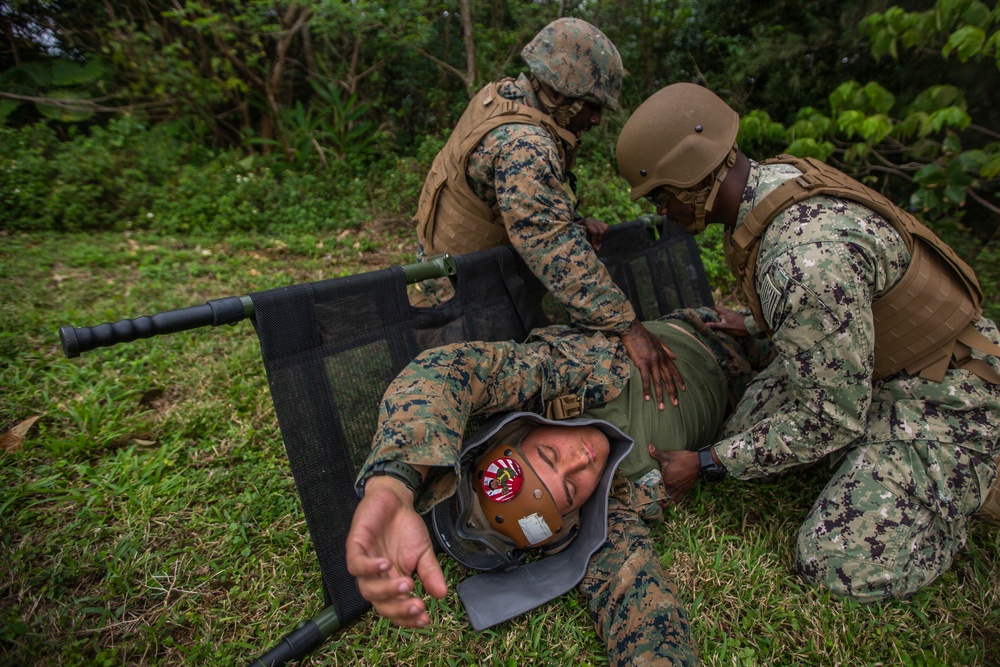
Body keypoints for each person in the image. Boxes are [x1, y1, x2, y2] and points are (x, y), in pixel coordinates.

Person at [615, 82, 1000, 602]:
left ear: (691, 179)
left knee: (834, 563)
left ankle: (960, 490)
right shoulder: (780, 182)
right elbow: (848, 303)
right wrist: (760, 324)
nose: (662, 211)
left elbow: (830, 418)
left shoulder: (800, 261)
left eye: (661, 195)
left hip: (945, 394)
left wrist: (706, 462)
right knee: (748, 429)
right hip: (885, 359)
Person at [347, 306, 774, 667]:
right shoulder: (609, 513)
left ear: (523, 432)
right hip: (755, 392)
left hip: (709, 325)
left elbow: (445, 373)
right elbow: (641, 608)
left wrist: (393, 484)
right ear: (573, 516)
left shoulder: (566, 375)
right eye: (570, 490)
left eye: (549, 455)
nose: (581, 461)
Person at [411, 17, 684, 409]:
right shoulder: (524, 144)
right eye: (591, 107)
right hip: (460, 307)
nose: (595, 119)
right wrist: (629, 327)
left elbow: (509, 201)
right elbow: (552, 248)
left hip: (460, 277)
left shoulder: (500, 96)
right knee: (476, 401)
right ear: (559, 97)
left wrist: (569, 220)